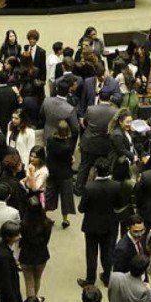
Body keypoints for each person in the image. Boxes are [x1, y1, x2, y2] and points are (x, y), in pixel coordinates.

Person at [77, 157, 123, 288]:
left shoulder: (89, 187)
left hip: (91, 225)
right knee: (107, 252)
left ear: (96, 170)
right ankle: (107, 277)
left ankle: (90, 279)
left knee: (91, 253)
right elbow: (119, 204)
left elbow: (81, 208)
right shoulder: (116, 186)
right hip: (109, 225)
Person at [77, 86, 118, 195]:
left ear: (99, 97)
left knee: (84, 166)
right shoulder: (115, 111)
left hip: (89, 143)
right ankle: (103, 190)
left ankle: (78, 189)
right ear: (111, 98)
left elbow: (85, 123)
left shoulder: (91, 109)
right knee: (104, 167)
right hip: (105, 145)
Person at [19, 197, 53, 299]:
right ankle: (34, 300)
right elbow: (46, 241)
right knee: (37, 279)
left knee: (29, 281)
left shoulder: (23, 224)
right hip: (41, 255)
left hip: (26, 255)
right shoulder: (47, 223)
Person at [45, 120, 76, 228]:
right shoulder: (67, 146)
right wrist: (72, 159)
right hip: (65, 174)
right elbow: (69, 160)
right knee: (66, 198)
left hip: (52, 172)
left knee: (49, 195)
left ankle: (43, 215)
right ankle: (65, 220)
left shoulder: (50, 140)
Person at [40, 77, 79, 143]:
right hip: (62, 139)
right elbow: (75, 128)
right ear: (68, 90)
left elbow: (41, 115)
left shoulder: (46, 100)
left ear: (57, 89)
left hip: (47, 135)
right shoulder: (70, 109)